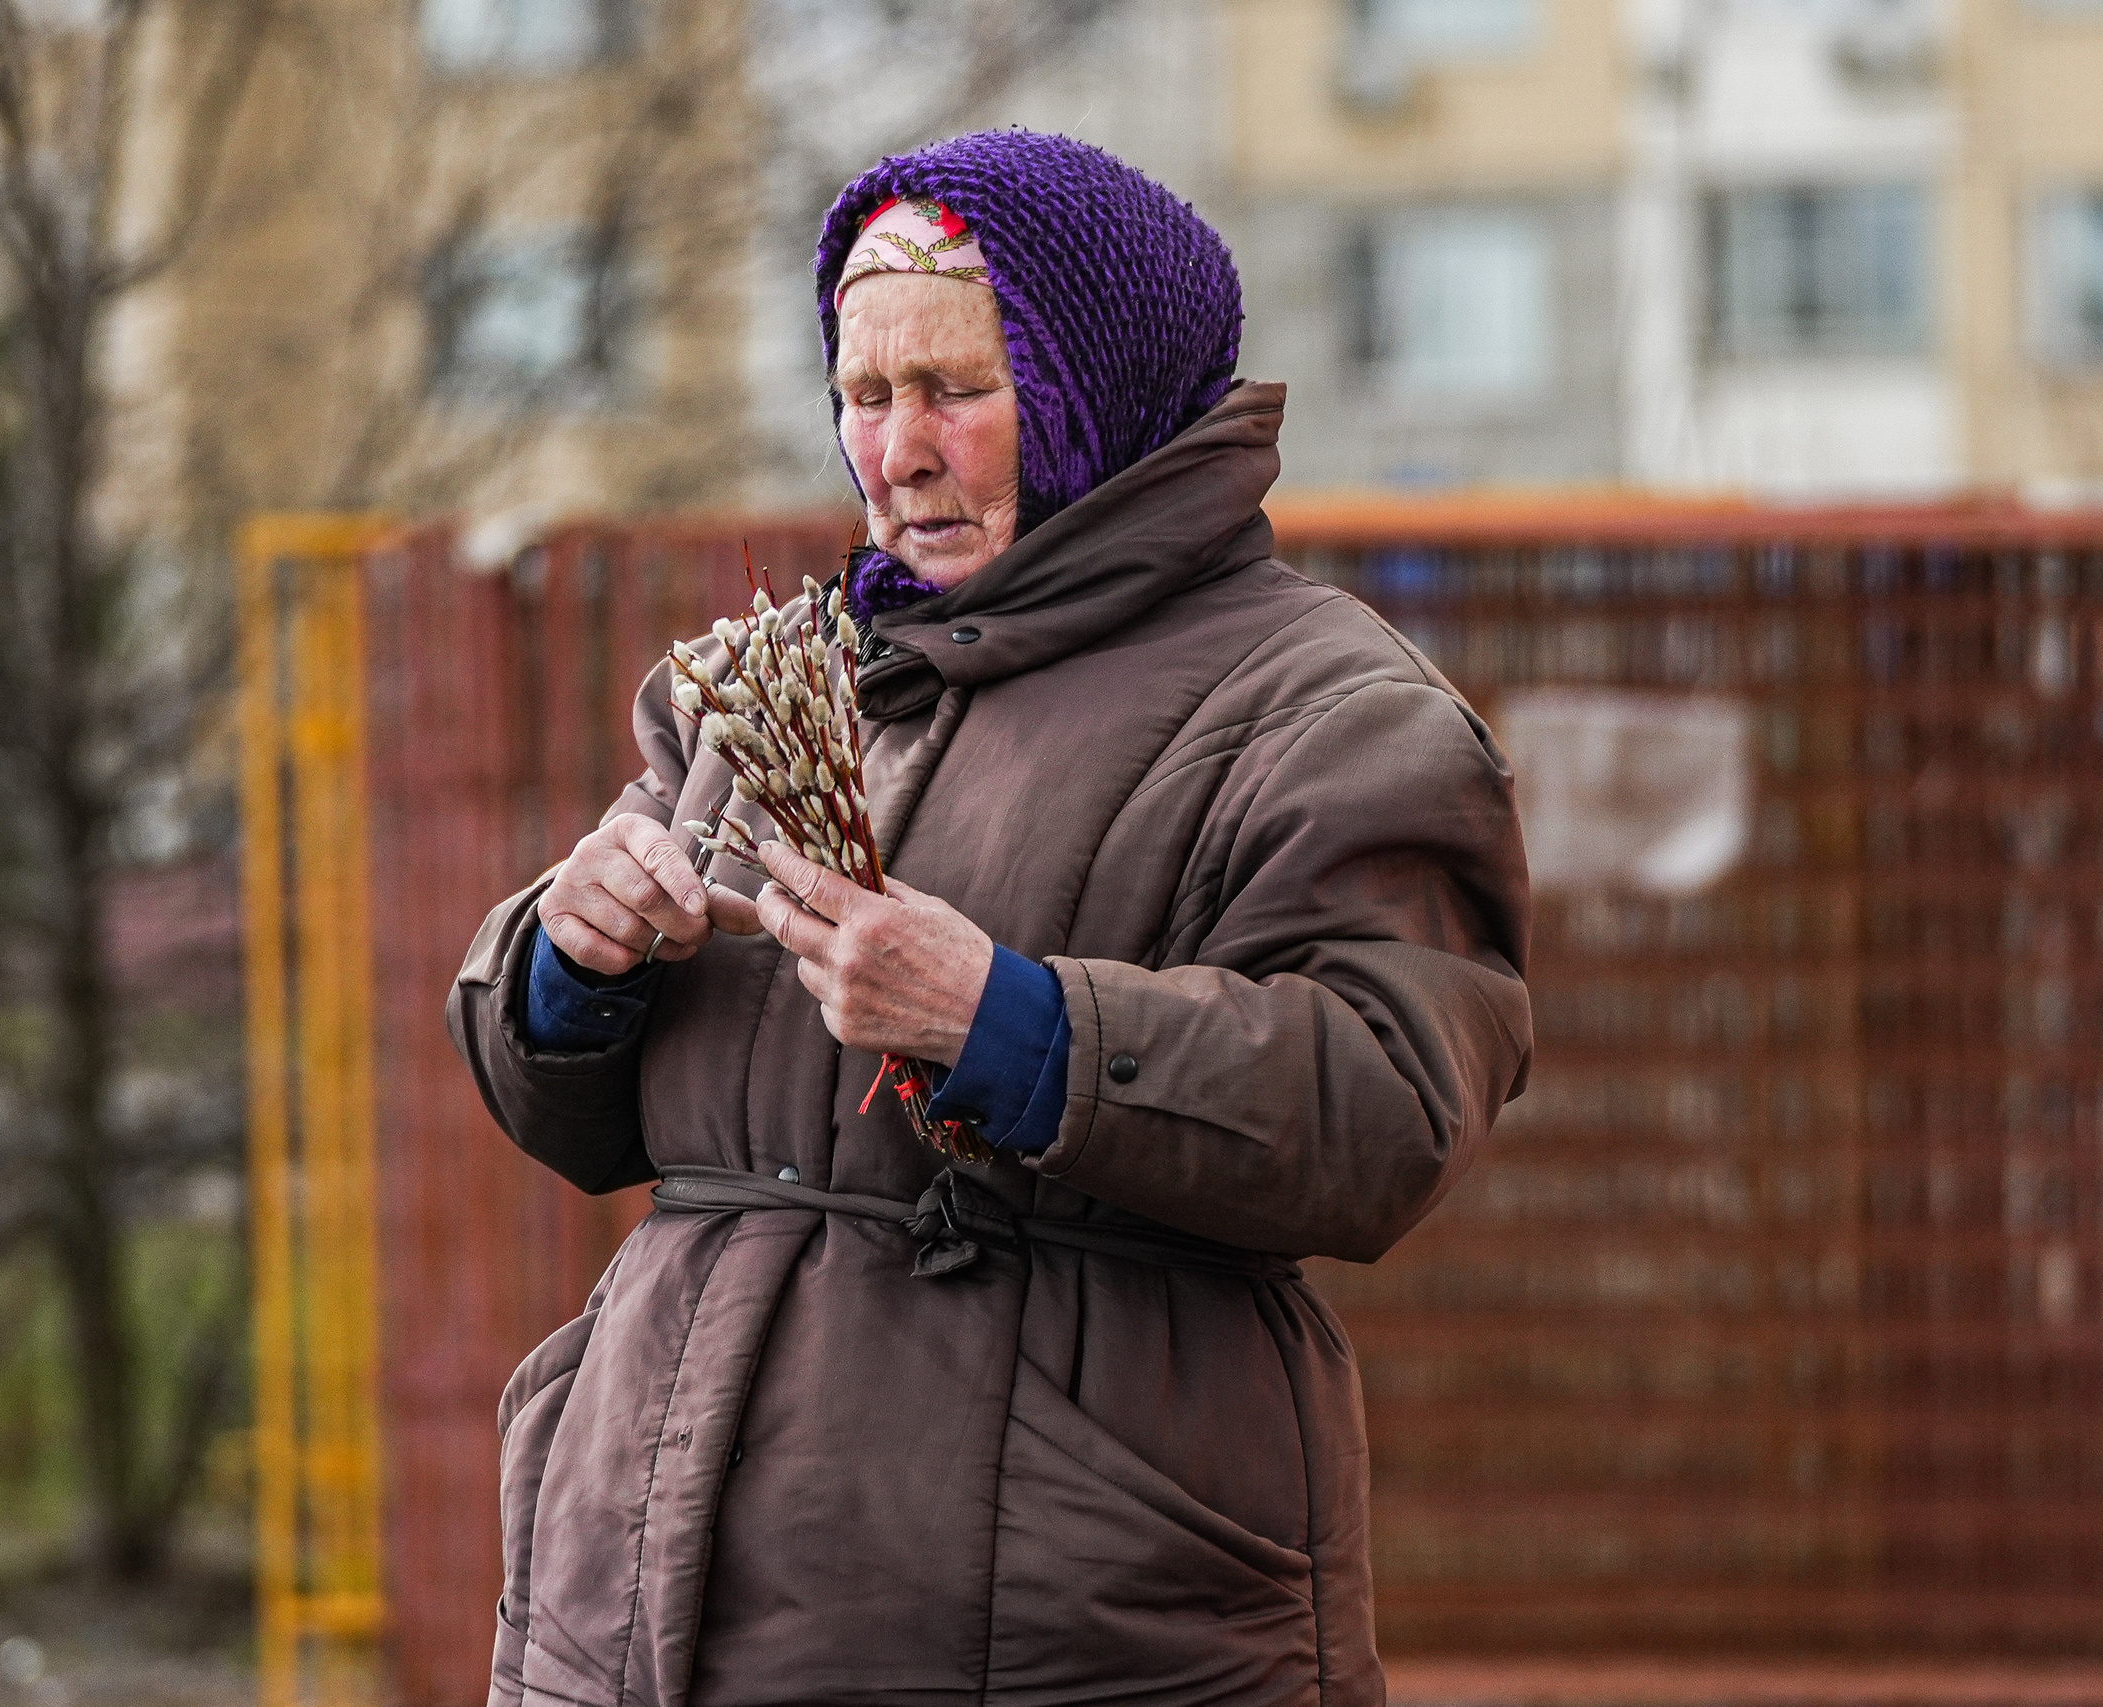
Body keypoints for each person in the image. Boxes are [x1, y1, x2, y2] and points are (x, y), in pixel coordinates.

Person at [448, 130, 1532, 1707]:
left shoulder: (1329, 712)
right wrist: (568, 960)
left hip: (1062, 1630)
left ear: (1099, 393)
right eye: (863, 396)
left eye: (955, 389)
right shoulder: (776, 683)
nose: (898, 451)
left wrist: (1012, 1024)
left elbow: (1390, 1104)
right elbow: (567, 1100)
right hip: (640, 1610)